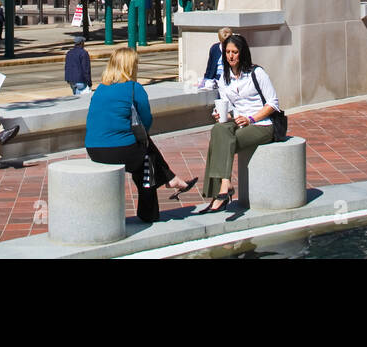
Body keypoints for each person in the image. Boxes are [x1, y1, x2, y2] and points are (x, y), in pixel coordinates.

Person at [85, 47, 196, 222]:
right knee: (147, 159)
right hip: (119, 150)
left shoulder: (100, 89)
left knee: (143, 151)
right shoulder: (133, 88)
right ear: (131, 66)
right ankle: (150, 211)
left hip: (94, 150)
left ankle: (172, 179)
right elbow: (146, 121)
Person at [197, 34, 281, 214]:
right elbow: (227, 106)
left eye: (234, 52)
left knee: (222, 142)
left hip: (261, 124)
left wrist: (251, 119)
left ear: (242, 53)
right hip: (237, 121)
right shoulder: (224, 78)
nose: (230, 56)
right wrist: (220, 113)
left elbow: (273, 103)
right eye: (227, 52)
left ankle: (218, 195)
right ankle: (225, 184)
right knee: (218, 129)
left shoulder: (256, 73)